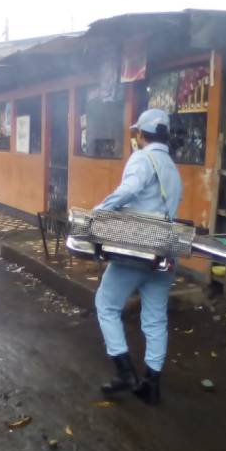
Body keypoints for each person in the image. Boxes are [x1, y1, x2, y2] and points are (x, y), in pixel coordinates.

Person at [93, 108, 182, 406]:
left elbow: (129, 190)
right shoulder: (172, 167)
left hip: (137, 250)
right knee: (155, 318)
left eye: (137, 133)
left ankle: (125, 373)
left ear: (141, 134)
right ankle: (151, 385)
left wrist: (99, 212)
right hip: (165, 250)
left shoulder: (142, 158)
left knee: (106, 304)